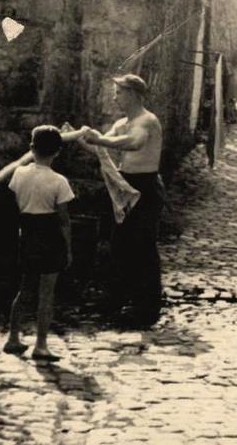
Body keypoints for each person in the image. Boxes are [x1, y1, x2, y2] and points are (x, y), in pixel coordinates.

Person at [81, 74, 165, 328]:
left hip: (145, 187)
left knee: (143, 246)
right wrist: (83, 137)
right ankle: (116, 301)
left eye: (119, 92)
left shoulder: (146, 121)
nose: (115, 97)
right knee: (119, 244)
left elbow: (135, 143)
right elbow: (101, 146)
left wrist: (100, 139)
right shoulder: (121, 123)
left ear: (133, 94)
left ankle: (146, 308)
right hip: (124, 186)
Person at [4, 126, 74, 361]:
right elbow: (63, 220)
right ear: (58, 152)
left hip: (27, 231)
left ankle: (13, 337)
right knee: (47, 292)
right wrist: (68, 247)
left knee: (24, 288)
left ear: (31, 147)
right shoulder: (59, 181)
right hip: (49, 234)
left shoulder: (19, 174)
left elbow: (15, 202)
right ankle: (41, 344)